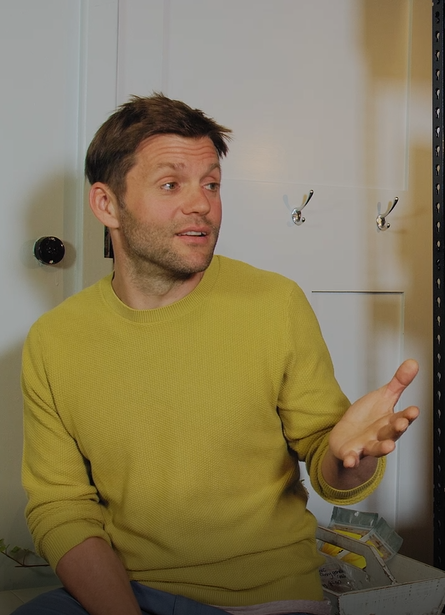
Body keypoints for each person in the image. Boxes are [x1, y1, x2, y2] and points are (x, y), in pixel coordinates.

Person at [18, 94, 420, 615]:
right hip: (126, 592)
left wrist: (353, 460)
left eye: (211, 184)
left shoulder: (275, 303)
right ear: (106, 205)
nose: (201, 204)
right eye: (171, 184)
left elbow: (329, 460)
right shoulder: (55, 340)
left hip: (265, 597)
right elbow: (60, 507)